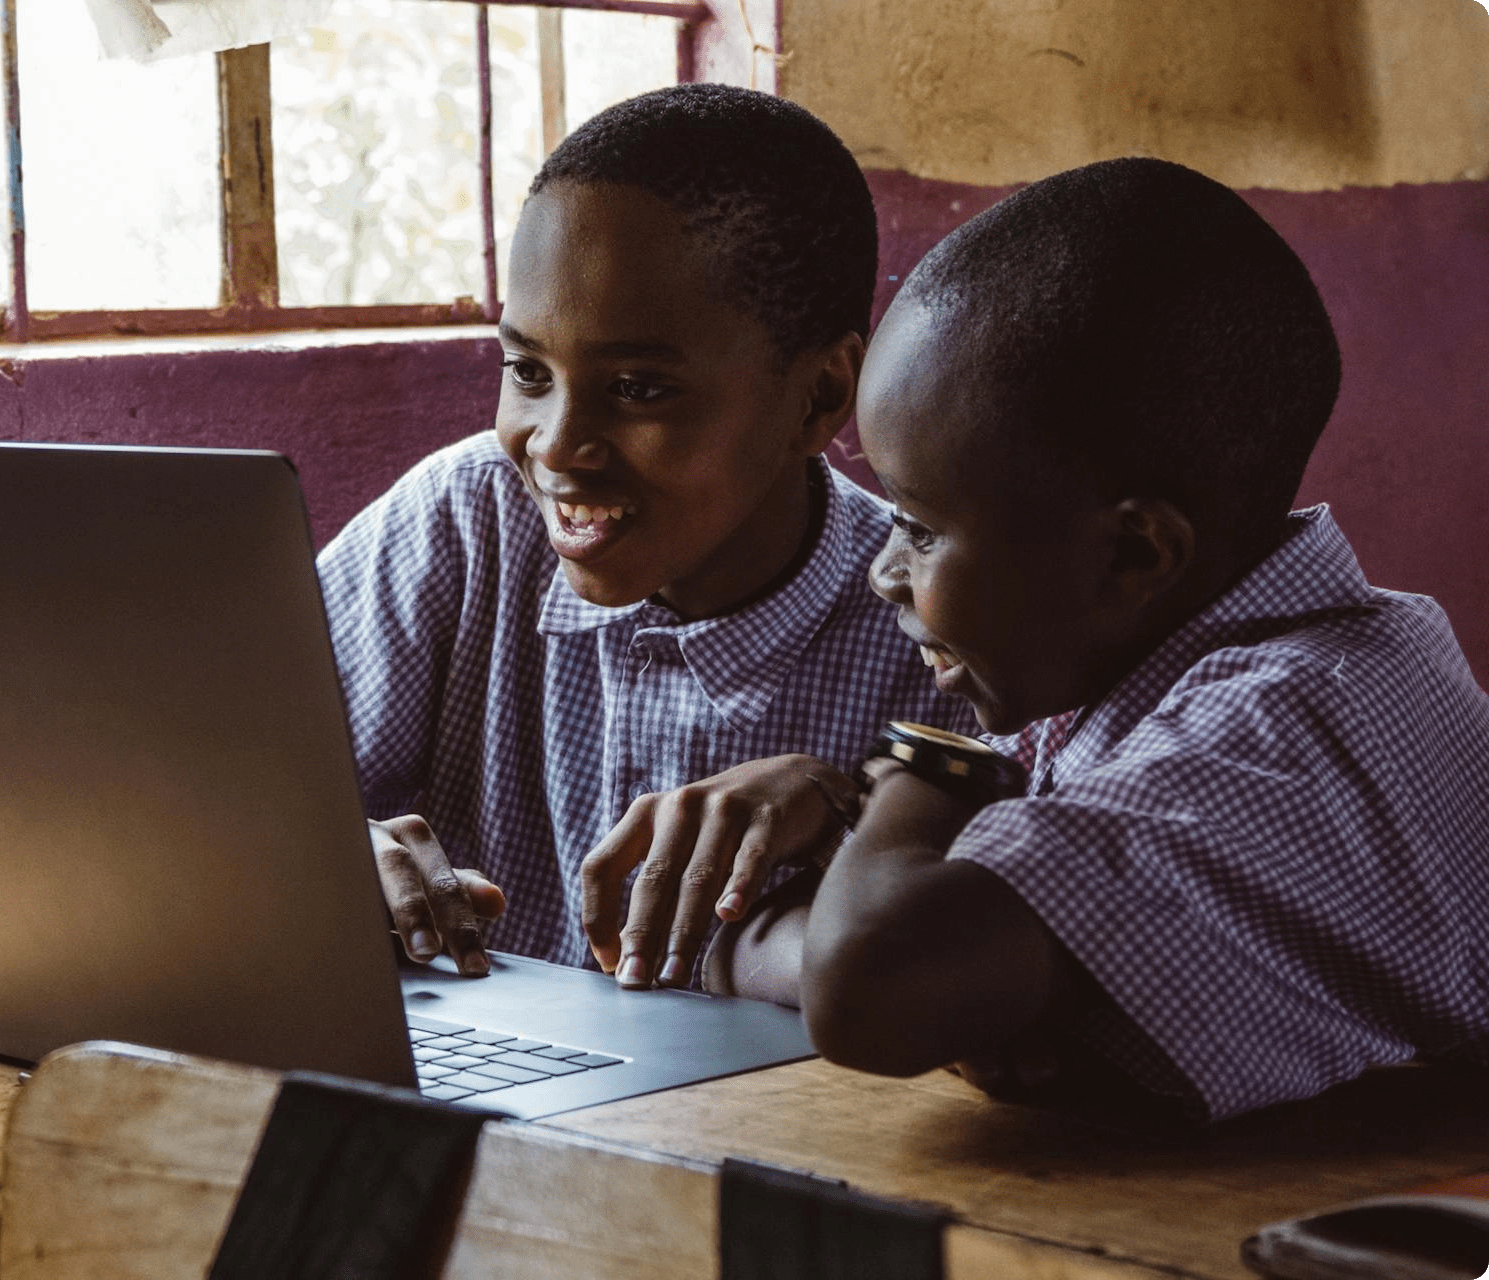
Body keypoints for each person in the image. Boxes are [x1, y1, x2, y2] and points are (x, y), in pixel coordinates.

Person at [677, 155, 1489, 1121]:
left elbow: (867, 983)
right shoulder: (1178, 664)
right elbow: (892, 962)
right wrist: (766, 935)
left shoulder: (1278, 727)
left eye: (922, 526)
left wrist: (921, 772)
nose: (883, 571)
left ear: (1136, 552)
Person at [317, 84, 968, 987]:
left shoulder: (941, 626)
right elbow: (213, 791)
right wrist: (334, 857)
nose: (555, 446)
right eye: (526, 369)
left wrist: (857, 810)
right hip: (478, 1096)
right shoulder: (467, 522)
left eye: (639, 390)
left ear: (818, 395)